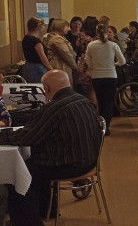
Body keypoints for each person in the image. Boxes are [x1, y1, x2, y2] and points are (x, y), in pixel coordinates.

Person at [0, 70, 101, 226]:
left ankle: (28, 222)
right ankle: (48, 209)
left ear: (46, 88)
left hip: (68, 165)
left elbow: (27, 137)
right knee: (35, 161)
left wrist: (3, 136)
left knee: (19, 174)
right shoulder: (83, 100)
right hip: (89, 161)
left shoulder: (54, 108)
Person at [85, 24, 126, 135]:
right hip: (111, 76)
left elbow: (87, 61)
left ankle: (100, 123)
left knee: (100, 101)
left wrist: (94, 66)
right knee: (109, 102)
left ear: (96, 33)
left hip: (97, 76)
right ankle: (106, 126)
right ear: (107, 33)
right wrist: (113, 64)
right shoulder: (113, 45)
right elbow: (123, 62)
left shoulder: (91, 45)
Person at [44, 19, 77, 85]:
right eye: (67, 26)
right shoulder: (57, 40)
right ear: (61, 27)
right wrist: (75, 67)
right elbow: (66, 55)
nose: (69, 29)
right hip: (61, 68)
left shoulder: (54, 37)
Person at [22, 17, 53, 83]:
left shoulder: (25, 38)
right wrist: (50, 68)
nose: (44, 27)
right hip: (37, 68)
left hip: (28, 66)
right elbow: (43, 57)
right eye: (42, 26)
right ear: (38, 27)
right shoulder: (36, 41)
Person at [76, 16, 99, 101]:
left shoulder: (82, 35)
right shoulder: (98, 36)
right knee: (94, 89)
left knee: (84, 88)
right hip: (96, 62)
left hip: (84, 61)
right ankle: (95, 110)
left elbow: (78, 46)